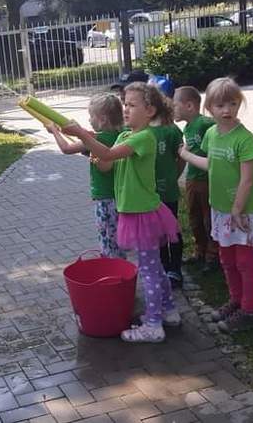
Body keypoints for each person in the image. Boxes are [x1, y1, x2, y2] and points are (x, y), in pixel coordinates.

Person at [63, 82, 181, 343]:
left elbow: (107, 153)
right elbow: (106, 163)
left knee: (148, 270)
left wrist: (82, 134)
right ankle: (169, 310)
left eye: (132, 105)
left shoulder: (144, 137)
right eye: (125, 104)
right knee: (154, 266)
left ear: (150, 111)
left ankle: (153, 324)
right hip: (132, 211)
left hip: (142, 213)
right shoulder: (124, 135)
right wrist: (90, 145)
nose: (125, 109)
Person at [179, 77, 253, 333]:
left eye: (232, 103)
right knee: (226, 260)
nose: (227, 110)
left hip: (243, 213)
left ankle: (249, 310)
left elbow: (248, 179)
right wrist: (185, 154)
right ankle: (236, 300)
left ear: (239, 104)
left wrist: (237, 209)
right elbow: (211, 164)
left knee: (245, 263)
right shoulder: (211, 134)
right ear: (209, 108)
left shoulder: (245, 139)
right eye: (220, 105)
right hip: (221, 210)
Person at [46, 93, 124, 257]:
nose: (89, 120)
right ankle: (120, 265)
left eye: (91, 116)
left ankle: (112, 268)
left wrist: (54, 131)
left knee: (107, 240)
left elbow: (66, 148)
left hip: (104, 198)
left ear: (102, 119)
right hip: (122, 197)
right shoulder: (123, 134)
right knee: (118, 239)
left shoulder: (98, 139)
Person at [173, 86, 218, 272]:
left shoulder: (203, 123)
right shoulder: (188, 127)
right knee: (194, 216)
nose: (173, 110)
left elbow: (218, 128)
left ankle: (213, 255)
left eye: (175, 105)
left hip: (206, 180)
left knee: (209, 218)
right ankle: (200, 250)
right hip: (192, 179)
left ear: (189, 106)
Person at [149, 98, 186, 288]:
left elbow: (181, 158)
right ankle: (164, 267)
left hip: (168, 192)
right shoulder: (141, 131)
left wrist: (174, 176)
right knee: (158, 233)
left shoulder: (171, 131)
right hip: (150, 194)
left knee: (173, 229)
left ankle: (175, 269)